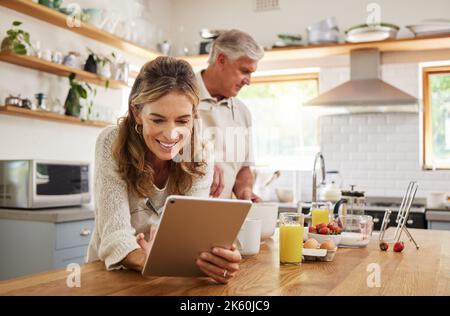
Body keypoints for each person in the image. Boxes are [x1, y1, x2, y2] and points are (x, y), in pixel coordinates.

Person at [87, 56, 241, 284]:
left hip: (169, 279)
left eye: (182, 121)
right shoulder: (112, 141)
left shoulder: (200, 155)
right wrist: (148, 260)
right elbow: (114, 235)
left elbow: (191, 238)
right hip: (111, 278)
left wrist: (219, 258)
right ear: (137, 113)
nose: (170, 135)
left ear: (194, 115)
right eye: (158, 120)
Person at [197, 29, 264, 202]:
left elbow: (243, 169)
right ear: (221, 60)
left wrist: (245, 191)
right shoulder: (181, 97)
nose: (248, 81)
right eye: (244, 71)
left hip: (224, 217)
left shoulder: (242, 112)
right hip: (181, 214)